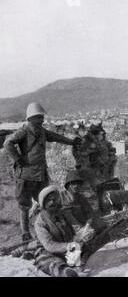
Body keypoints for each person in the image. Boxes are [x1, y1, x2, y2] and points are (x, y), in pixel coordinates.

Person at [4, 102, 81, 241]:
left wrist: (72, 142)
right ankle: (25, 233)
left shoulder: (42, 132)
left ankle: (48, 231)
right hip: (26, 176)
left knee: (46, 203)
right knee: (24, 206)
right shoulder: (24, 131)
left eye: (41, 117)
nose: (42, 120)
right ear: (31, 118)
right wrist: (18, 159)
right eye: (39, 117)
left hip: (40, 175)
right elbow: (7, 143)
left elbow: (57, 137)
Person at [33, 186, 110, 277]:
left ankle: (76, 267)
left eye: (55, 199)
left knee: (91, 243)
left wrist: (84, 233)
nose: (53, 202)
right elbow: (49, 245)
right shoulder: (40, 223)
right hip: (50, 251)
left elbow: (76, 227)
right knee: (48, 262)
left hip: (69, 247)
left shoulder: (63, 213)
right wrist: (68, 246)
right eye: (49, 200)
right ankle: (67, 273)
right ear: (43, 204)